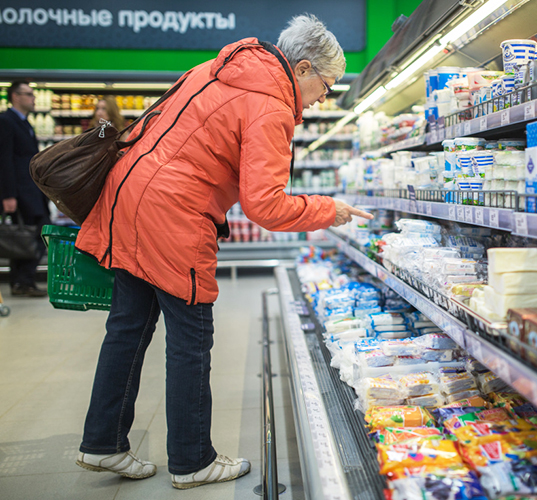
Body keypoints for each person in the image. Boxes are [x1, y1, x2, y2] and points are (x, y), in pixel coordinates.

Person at [73, 14, 371, 489]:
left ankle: (102, 442)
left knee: (128, 327)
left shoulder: (221, 66)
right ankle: (192, 460)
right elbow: (265, 205)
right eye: (327, 87)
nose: (321, 101)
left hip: (127, 196)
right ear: (304, 68)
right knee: (191, 335)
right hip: (174, 213)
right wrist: (326, 209)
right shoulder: (271, 104)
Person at [0, 80, 49, 297]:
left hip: (31, 190)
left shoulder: (24, 123)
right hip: (20, 192)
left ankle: (21, 281)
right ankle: (23, 280)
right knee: (31, 234)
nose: (33, 98)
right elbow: (4, 160)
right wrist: (8, 195)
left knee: (26, 235)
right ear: (15, 96)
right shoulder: (6, 121)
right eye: (28, 94)